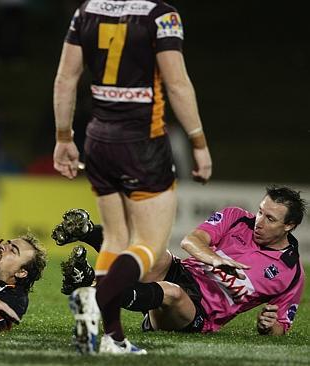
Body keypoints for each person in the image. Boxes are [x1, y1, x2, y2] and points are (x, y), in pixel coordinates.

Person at [52, 0, 213, 354]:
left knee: (115, 239)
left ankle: (112, 337)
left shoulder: (87, 11)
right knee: (151, 245)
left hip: (98, 139)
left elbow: (66, 78)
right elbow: (177, 84)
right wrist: (198, 142)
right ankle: (91, 301)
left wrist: (64, 137)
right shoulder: (162, 15)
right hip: (142, 142)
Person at [58, 185, 305, 353]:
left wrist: (267, 326)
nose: (259, 222)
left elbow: (280, 328)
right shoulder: (237, 218)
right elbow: (191, 241)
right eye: (260, 211)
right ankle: (87, 232)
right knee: (155, 253)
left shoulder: (291, 273)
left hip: (198, 313)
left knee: (172, 293)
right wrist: (214, 259)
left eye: (270, 219)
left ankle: (90, 283)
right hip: (182, 272)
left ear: (289, 226)